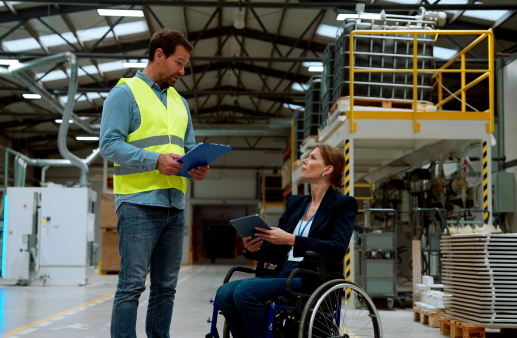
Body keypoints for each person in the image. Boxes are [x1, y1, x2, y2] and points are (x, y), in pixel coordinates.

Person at [99, 28, 209, 338]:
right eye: (179, 62)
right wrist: (154, 161)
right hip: (138, 203)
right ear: (158, 55)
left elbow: (187, 152)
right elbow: (109, 145)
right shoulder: (125, 93)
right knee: (132, 285)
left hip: (174, 205)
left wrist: (194, 168)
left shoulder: (180, 102)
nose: (182, 71)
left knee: (166, 287)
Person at [214, 144, 358, 338]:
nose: (305, 161)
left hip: (312, 278)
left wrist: (292, 239)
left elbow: (337, 248)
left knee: (244, 292)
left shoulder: (343, 205)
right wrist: (256, 248)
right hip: (285, 273)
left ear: (328, 169)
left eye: (313, 158)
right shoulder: (297, 203)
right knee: (224, 292)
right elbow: (278, 247)